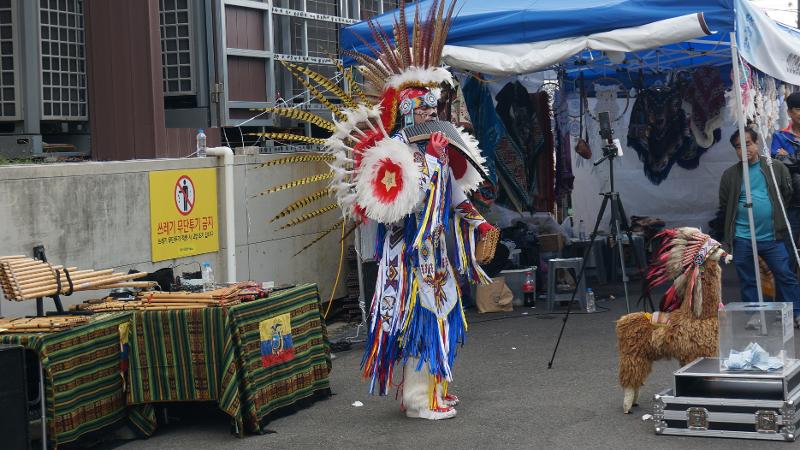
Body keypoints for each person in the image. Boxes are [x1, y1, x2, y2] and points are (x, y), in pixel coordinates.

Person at [719, 127, 800, 323]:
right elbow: (724, 203)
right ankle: (754, 315)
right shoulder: (730, 175)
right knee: (748, 279)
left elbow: (786, 194)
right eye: (738, 147)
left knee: (785, 274)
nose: (743, 150)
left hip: (773, 235)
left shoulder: (774, 167)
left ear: (757, 144)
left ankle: (795, 312)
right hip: (742, 236)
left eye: (747, 144)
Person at [771, 92, 800, 269]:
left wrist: (792, 159)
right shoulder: (780, 136)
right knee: (789, 251)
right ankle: (791, 295)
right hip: (791, 201)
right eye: (798, 109)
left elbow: (788, 161)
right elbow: (778, 163)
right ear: (789, 112)